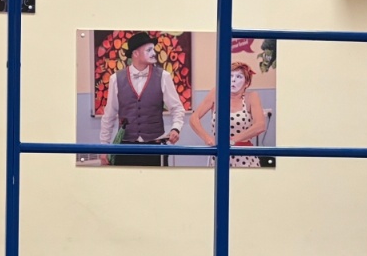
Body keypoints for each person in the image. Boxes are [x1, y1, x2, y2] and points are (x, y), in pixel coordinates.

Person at [98, 32, 187, 166]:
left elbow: (177, 108)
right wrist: (104, 147)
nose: (154, 53)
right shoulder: (116, 79)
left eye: (153, 49)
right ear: (135, 53)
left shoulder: (163, 76)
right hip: (125, 148)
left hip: (155, 147)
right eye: (149, 50)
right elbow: (109, 115)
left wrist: (176, 128)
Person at [190, 61, 268, 168]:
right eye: (230, 76)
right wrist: (207, 138)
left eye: (239, 76)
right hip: (219, 154)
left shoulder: (251, 97)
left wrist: (232, 141)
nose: (233, 80)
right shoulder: (216, 93)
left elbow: (260, 125)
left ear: (247, 83)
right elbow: (194, 118)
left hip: (244, 155)